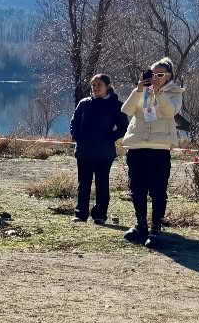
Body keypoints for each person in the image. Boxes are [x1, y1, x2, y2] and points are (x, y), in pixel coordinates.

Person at [120, 59, 184, 248]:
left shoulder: (175, 92)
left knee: (157, 190)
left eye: (160, 75)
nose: (155, 77)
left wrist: (159, 93)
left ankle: (156, 228)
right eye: (152, 73)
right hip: (137, 145)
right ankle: (141, 225)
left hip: (159, 147)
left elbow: (170, 112)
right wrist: (138, 90)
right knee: (137, 188)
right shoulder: (142, 90)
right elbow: (126, 110)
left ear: (168, 76)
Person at [69, 74, 127, 224]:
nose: (95, 88)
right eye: (93, 85)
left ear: (108, 86)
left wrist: (109, 139)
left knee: (102, 185)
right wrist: (77, 137)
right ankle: (81, 214)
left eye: (99, 84)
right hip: (84, 151)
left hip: (104, 153)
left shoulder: (116, 105)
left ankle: (100, 215)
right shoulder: (84, 103)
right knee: (83, 184)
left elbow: (123, 127)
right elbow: (74, 122)